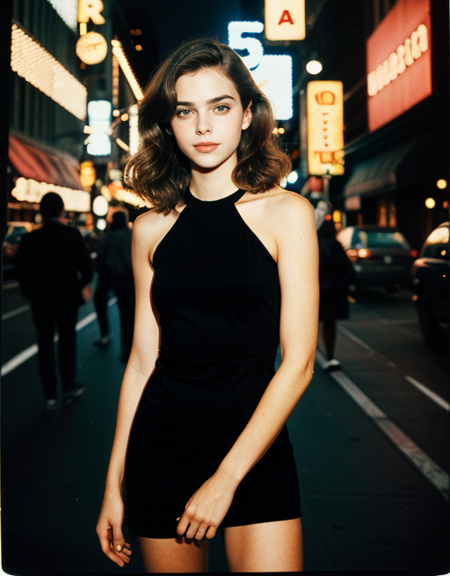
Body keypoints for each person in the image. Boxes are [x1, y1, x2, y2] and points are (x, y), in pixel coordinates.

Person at [96, 38, 319, 572]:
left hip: (254, 454)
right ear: (167, 124)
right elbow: (143, 363)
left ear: (247, 115)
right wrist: (113, 482)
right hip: (161, 453)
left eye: (219, 108)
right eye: (185, 111)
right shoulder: (149, 227)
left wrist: (227, 477)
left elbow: (299, 363)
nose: (203, 126)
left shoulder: (286, 214)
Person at [15, 192, 94, 409]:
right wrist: (76, 287)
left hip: (41, 301)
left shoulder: (31, 239)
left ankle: (49, 394)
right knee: (67, 343)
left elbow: (20, 272)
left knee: (45, 344)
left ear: (41, 211)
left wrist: (30, 293)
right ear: (62, 210)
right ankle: (68, 387)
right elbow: (87, 268)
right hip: (67, 299)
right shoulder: (72, 235)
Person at [316, 213, 356, 372]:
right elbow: (348, 269)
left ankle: (305, 356)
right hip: (333, 289)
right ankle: (330, 356)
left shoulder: (311, 244)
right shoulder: (336, 245)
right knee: (329, 323)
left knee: (310, 324)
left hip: (314, 289)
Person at [96, 211, 135, 362]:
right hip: (128, 280)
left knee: (100, 301)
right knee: (127, 317)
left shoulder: (108, 237)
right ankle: (127, 349)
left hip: (109, 278)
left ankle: (104, 334)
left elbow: (100, 259)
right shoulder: (131, 235)